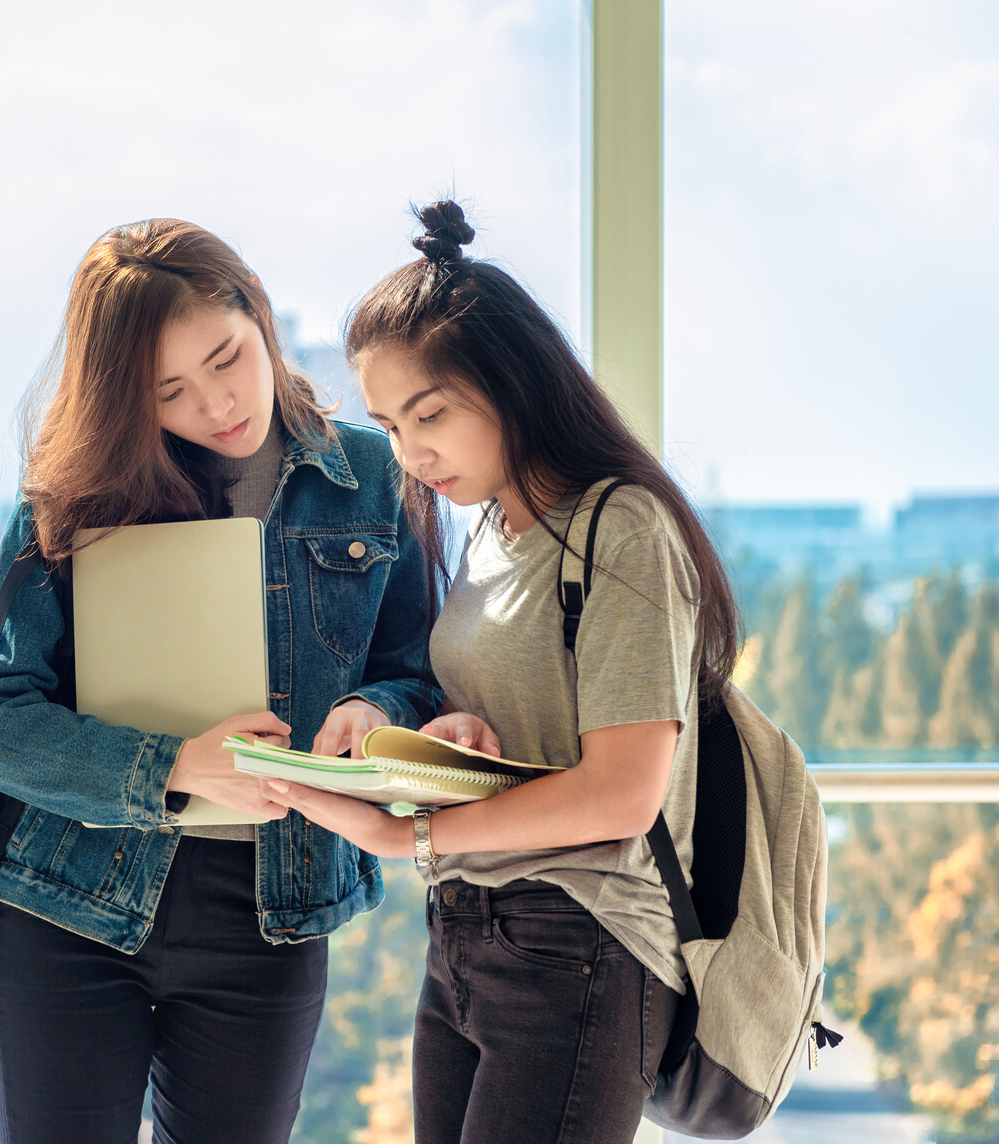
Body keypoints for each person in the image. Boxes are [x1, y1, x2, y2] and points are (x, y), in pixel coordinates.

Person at [0, 217, 439, 1144]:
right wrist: (173, 765)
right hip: (69, 905)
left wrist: (372, 710)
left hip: (272, 918)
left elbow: (416, 674)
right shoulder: (75, 490)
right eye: (168, 390)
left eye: (227, 358)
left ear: (257, 311)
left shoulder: (371, 475)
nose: (216, 404)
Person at [260, 201, 743, 1144]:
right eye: (389, 426)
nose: (410, 453)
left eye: (429, 414)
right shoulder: (486, 531)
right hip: (463, 937)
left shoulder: (622, 529)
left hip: (581, 943)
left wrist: (415, 843)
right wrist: (453, 737)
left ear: (511, 381)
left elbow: (620, 796)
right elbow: (521, 727)